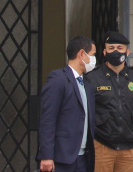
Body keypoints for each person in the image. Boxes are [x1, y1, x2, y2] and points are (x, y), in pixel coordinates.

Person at [85, 31, 133, 172]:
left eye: (120, 48)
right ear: (105, 52)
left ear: (127, 52)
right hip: (102, 144)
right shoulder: (93, 78)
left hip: (129, 146)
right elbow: (87, 111)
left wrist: (132, 128)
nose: (115, 51)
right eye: (111, 48)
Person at [38, 36, 98, 172]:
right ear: (82, 54)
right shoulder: (58, 79)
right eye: (93, 55)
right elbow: (48, 119)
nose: (94, 60)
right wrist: (46, 155)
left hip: (83, 158)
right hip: (62, 158)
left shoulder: (87, 86)